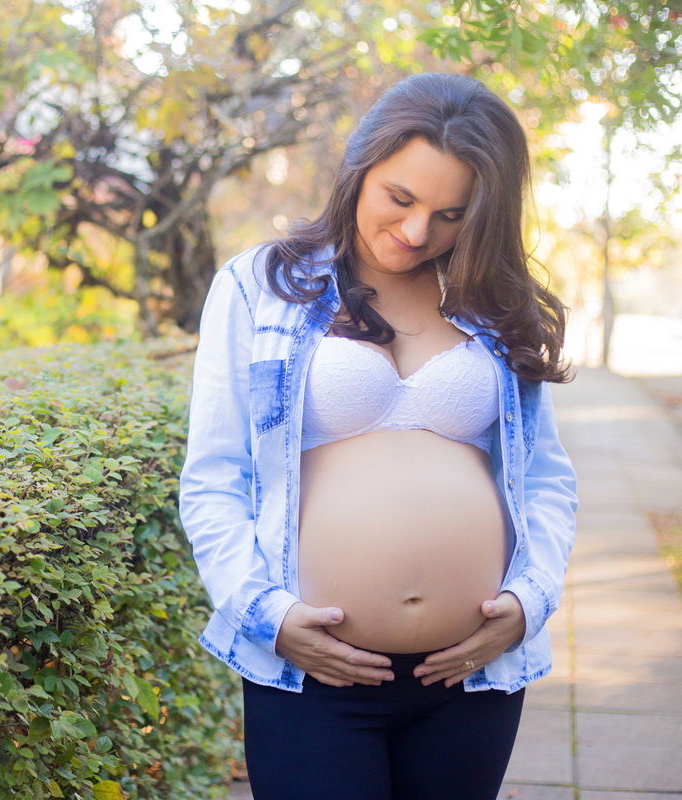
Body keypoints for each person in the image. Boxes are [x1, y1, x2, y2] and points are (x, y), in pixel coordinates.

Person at [178, 72, 578, 800]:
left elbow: (545, 477)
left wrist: (529, 604)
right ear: (359, 168)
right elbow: (214, 475)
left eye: (451, 214)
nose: (418, 231)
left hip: (473, 677)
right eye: (400, 198)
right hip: (313, 673)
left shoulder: (495, 306)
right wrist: (266, 616)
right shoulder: (259, 286)